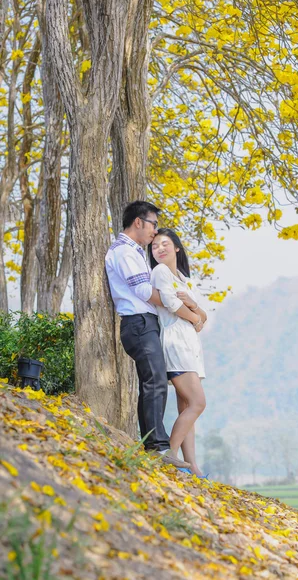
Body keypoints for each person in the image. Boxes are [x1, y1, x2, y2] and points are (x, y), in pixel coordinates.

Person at [105, 201, 200, 469]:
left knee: (154, 381)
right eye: (153, 224)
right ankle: (157, 447)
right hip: (138, 324)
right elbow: (144, 292)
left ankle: (154, 444)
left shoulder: (133, 252)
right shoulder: (124, 252)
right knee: (154, 381)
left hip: (145, 323)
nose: (154, 231)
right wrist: (180, 306)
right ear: (138, 222)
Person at [149, 228, 207, 477]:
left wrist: (194, 308)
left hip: (191, 347)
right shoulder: (160, 272)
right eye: (154, 246)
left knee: (187, 409)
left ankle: (191, 466)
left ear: (176, 248)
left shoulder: (184, 279)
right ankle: (169, 455)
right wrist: (194, 315)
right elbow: (172, 305)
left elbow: (204, 317)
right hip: (175, 344)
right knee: (197, 403)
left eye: (164, 244)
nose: (159, 249)